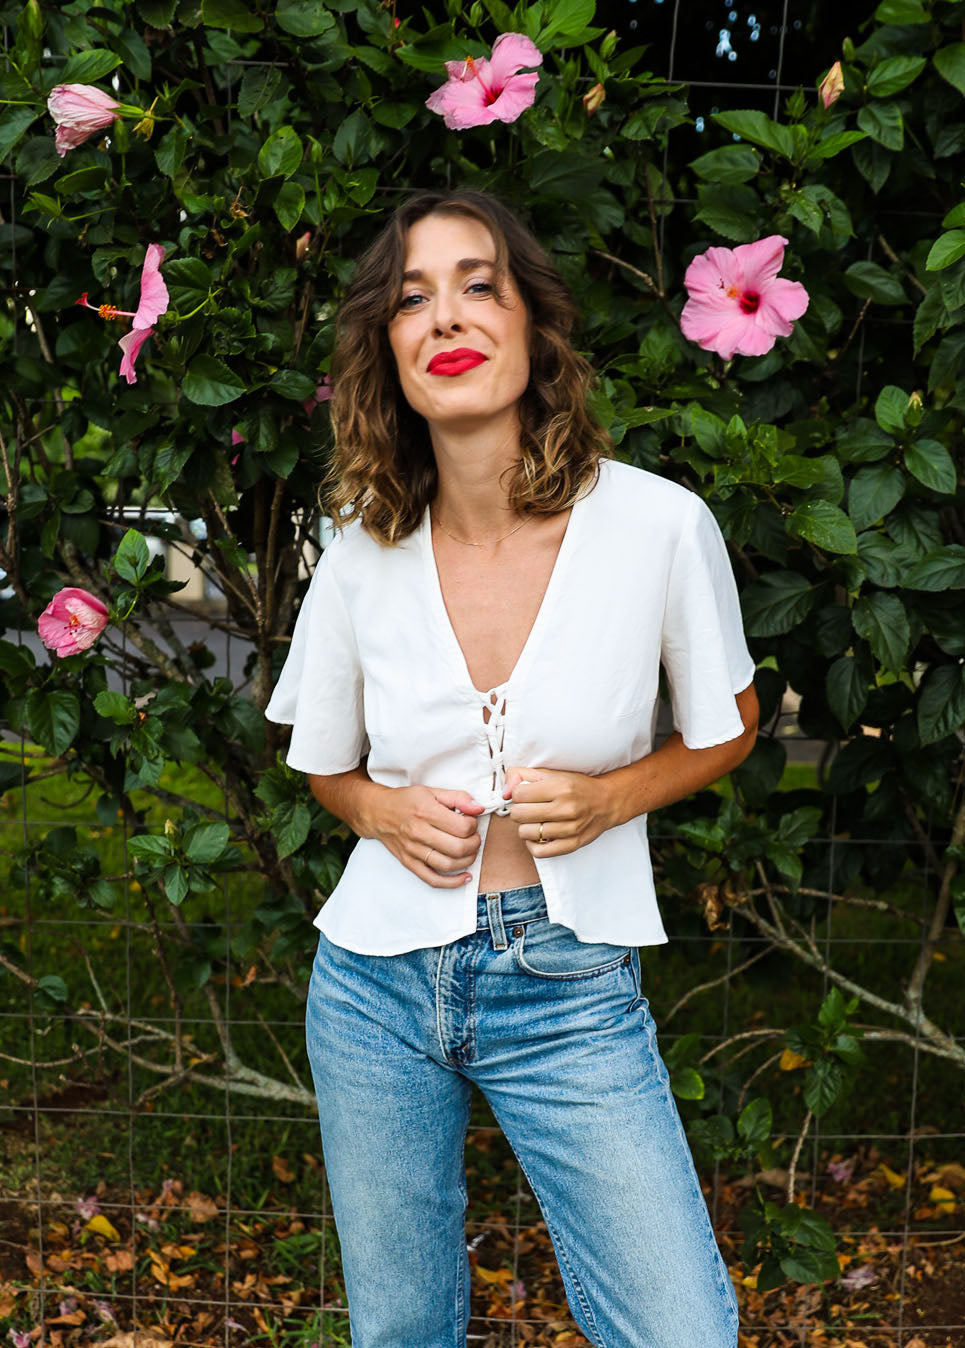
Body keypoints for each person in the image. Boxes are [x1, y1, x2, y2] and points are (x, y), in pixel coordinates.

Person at [265, 188, 758, 1348]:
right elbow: (323, 767)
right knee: (401, 1330)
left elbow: (729, 723)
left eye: (476, 285)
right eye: (410, 299)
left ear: (532, 322)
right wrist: (380, 811)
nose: (444, 316)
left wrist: (610, 798)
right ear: (389, 353)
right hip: (374, 986)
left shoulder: (657, 526)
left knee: (680, 1329)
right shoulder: (359, 549)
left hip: (566, 977)